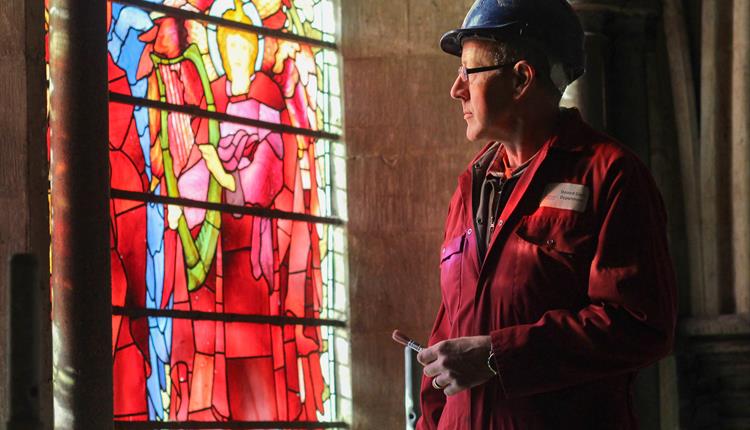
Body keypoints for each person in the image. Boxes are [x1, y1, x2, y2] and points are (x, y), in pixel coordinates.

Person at [415, 0, 678, 428]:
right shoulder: (469, 187)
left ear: (521, 79)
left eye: (469, 71)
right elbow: (447, 335)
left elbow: (641, 325)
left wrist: (499, 355)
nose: (456, 89)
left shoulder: (608, 175)